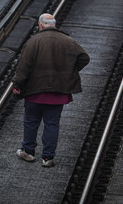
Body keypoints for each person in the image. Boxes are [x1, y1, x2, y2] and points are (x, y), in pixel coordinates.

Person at [12, 13, 90, 167]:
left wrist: (17, 84)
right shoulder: (68, 41)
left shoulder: (33, 41)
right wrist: (70, 72)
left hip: (35, 91)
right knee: (52, 124)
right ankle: (48, 158)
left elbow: (23, 67)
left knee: (31, 121)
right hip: (58, 92)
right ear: (54, 24)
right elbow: (84, 58)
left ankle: (28, 151)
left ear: (41, 25)